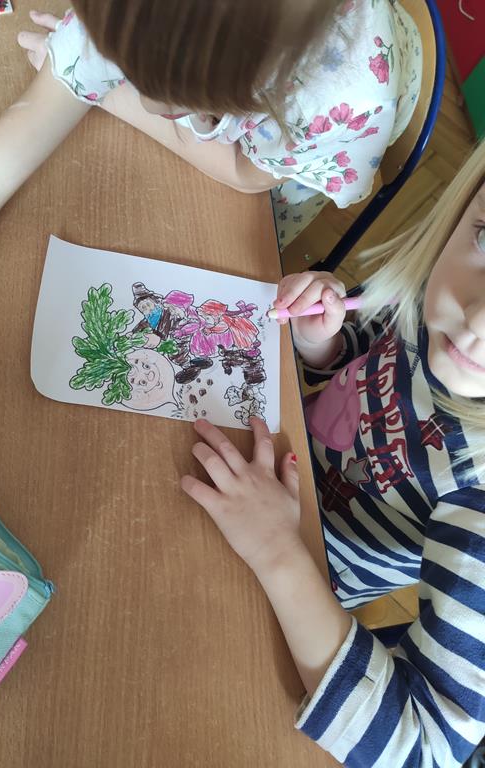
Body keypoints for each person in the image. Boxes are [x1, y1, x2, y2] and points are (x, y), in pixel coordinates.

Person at [181, 139, 485, 767]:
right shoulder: (428, 294)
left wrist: (277, 549)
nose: (475, 322)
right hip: (263, 464)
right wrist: (322, 342)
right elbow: (360, 355)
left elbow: (422, 749)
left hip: (293, 587)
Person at [19, 1, 421, 249]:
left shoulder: (324, 106)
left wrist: (110, 95)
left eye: (171, 93)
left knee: (244, 238)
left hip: (306, 147)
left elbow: (244, 174)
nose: (150, 105)